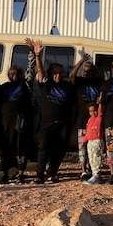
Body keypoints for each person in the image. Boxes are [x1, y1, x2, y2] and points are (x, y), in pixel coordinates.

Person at [31, 40, 76, 184]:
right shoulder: (46, 84)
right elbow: (40, 71)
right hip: (47, 123)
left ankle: (53, 173)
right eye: (55, 73)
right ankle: (39, 175)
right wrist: (37, 56)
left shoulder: (67, 86)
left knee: (59, 150)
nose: (58, 75)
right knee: (44, 148)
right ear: (51, 74)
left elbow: (73, 104)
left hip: (63, 123)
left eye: (60, 73)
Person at [70, 53, 104, 181]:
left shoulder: (99, 83)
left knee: (94, 148)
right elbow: (72, 75)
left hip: (95, 121)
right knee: (82, 147)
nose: (87, 73)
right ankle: (84, 171)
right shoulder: (79, 82)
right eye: (85, 71)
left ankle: (93, 169)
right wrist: (80, 61)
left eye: (90, 71)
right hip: (82, 120)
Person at [0, 64, 34, 184]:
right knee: (6, 146)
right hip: (5, 120)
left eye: (17, 73)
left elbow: (30, 70)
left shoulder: (25, 85)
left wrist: (33, 53)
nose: (15, 76)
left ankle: (20, 174)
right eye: (12, 73)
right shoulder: (4, 87)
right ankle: (5, 174)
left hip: (21, 119)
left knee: (21, 146)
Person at [82, 97, 105, 184]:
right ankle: (94, 174)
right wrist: (84, 141)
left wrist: (99, 104)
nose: (93, 113)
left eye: (94, 110)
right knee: (91, 158)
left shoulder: (98, 118)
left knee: (96, 158)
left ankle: (97, 175)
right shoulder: (90, 120)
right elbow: (88, 132)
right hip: (90, 141)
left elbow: (100, 112)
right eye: (90, 111)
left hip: (97, 140)